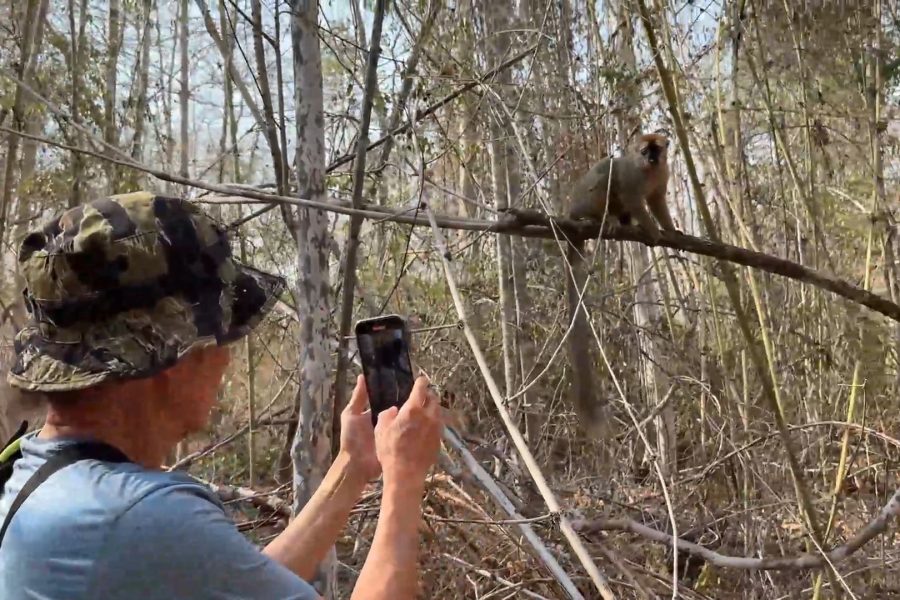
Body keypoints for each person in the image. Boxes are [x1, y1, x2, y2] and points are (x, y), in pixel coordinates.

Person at [0, 191, 444, 599]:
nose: (226, 359)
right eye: (219, 334)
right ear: (165, 355)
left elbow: (233, 584)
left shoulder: (39, 479)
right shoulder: (139, 517)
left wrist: (352, 466)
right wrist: (404, 481)